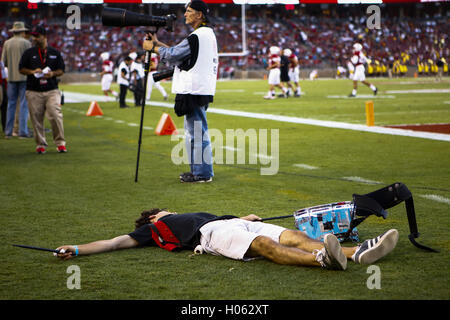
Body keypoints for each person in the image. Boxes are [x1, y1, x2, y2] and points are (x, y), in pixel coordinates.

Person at [54, 208, 399, 271]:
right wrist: (78, 249)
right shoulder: (154, 229)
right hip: (213, 236)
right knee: (267, 249)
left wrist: (246, 217)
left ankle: (354, 253)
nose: (167, 211)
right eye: (160, 211)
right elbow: (115, 243)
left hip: (230, 222)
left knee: (292, 235)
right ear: (153, 219)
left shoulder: (187, 212)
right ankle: (322, 259)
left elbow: (223, 217)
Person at [143, 0, 217, 183]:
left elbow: (174, 55)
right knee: (194, 132)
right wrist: (159, 44)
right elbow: (179, 54)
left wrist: (153, 48)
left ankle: (202, 174)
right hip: (199, 88)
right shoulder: (205, 35)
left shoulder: (197, 36)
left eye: (189, 11)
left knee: (197, 133)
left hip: (194, 89)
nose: (185, 14)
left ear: (200, 14)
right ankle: (197, 171)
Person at [18, 25, 66, 154]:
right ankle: (40, 144)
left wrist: (52, 74)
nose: (34, 38)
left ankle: (60, 143)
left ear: (44, 36)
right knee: (36, 118)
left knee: (55, 114)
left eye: (37, 36)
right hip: (33, 89)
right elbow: (21, 69)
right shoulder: (29, 53)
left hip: (51, 89)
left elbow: (61, 70)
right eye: (33, 36)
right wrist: (32, 71)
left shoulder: (55, 53)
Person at [1, 21, 32, 139]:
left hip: (12, 77)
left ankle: (8, 132)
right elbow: (30, 61)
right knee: (23, 105)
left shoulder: (7, 43)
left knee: (11, 105)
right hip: (24, 77)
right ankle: (22, 132)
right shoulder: (26, 43)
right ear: (22, 31)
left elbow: (3, 62)